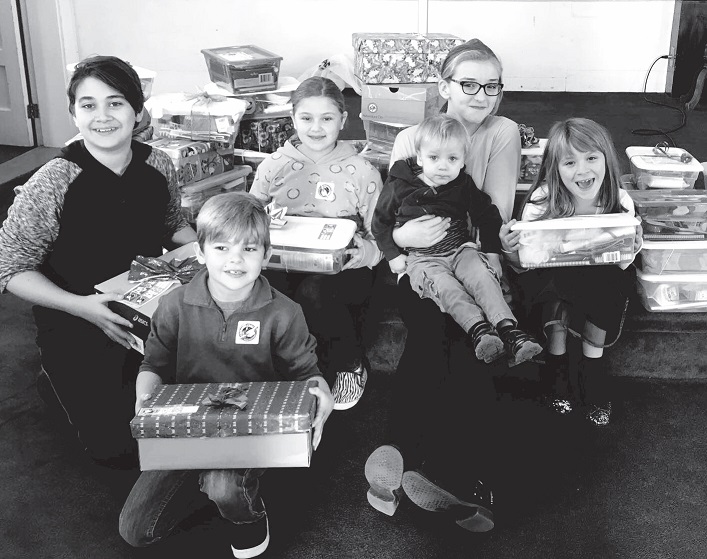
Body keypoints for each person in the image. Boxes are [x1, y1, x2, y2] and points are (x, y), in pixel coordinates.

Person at [0, 55, 196, 468]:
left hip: (146, 308)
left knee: (195, 409)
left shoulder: (157, 164)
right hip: (76, 318)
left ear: (137, 110)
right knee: (120, 448)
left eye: (116, 102)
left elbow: (171, 224)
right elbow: (11, 268)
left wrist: (208, 252)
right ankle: (51, 379)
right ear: (74, 112)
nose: (102, 116)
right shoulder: (54, 180)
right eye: (88, 105)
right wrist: (83, 307)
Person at [119, 192, 334, 559]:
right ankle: (211, 486)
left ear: (266, 256)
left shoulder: (285, 312)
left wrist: (321, 391)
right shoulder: (173, 305)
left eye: (249, 249)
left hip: (249, 426)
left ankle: (245, 512)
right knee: (135, 531)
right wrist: (145, 398)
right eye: (221, 247)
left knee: (223, 486)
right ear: (200, 252)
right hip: (185, 426)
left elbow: (306, 373)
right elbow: (152, 365)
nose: (235, 259)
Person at [364, 39, 521, 531]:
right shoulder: (412, 136)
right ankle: (397, 462)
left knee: (472, 344)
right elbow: (389, 211)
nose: (480, 94)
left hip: (469, 256)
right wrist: (399, 238)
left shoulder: (502, 132)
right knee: (429, 335)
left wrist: (490, 262)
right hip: (418, 263)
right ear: (444, 86)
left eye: (491, 85)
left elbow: (493, 210)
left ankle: (466, 477)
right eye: (468, 83)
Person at [249, 76, 384, 411]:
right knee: (266, 290)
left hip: (342, 269)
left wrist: (365, 252)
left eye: (327, 118)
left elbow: (381, 236)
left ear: (343, 119)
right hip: (281, 261)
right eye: (306, 118)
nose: (316, 127)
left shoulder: (362, 171)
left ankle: (349, 363)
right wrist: (263, 224)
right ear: (292, 119)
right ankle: (279, 371)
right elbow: (246, 223)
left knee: (314, 292)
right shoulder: (273, 166)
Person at [500, 117, 642, 427]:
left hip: (601, 281)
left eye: (591, 157)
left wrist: (632, 247)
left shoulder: (618, 200)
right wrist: (511, 248)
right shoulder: (541, 201)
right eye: (570, 162)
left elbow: (621, 264)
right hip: (552, 283)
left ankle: (593, 373)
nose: (582, 170)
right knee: (556, 286)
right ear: (555, 167)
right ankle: (557, 366)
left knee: (608, 281)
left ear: (606, 158)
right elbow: (524, 265)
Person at [373, 114, 542, 365]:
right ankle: (479, 331)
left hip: (461, 249)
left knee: (483, 277)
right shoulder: (399, 186)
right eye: (434, 158)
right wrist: (393, 255)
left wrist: (493, 254)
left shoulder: (462, 184)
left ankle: (509, 331)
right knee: (447, 289)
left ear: (463, 161)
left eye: (452, 159)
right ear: (420, 157)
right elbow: (380, 222)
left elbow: (487, 215)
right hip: (423, 258)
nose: (443, 166)